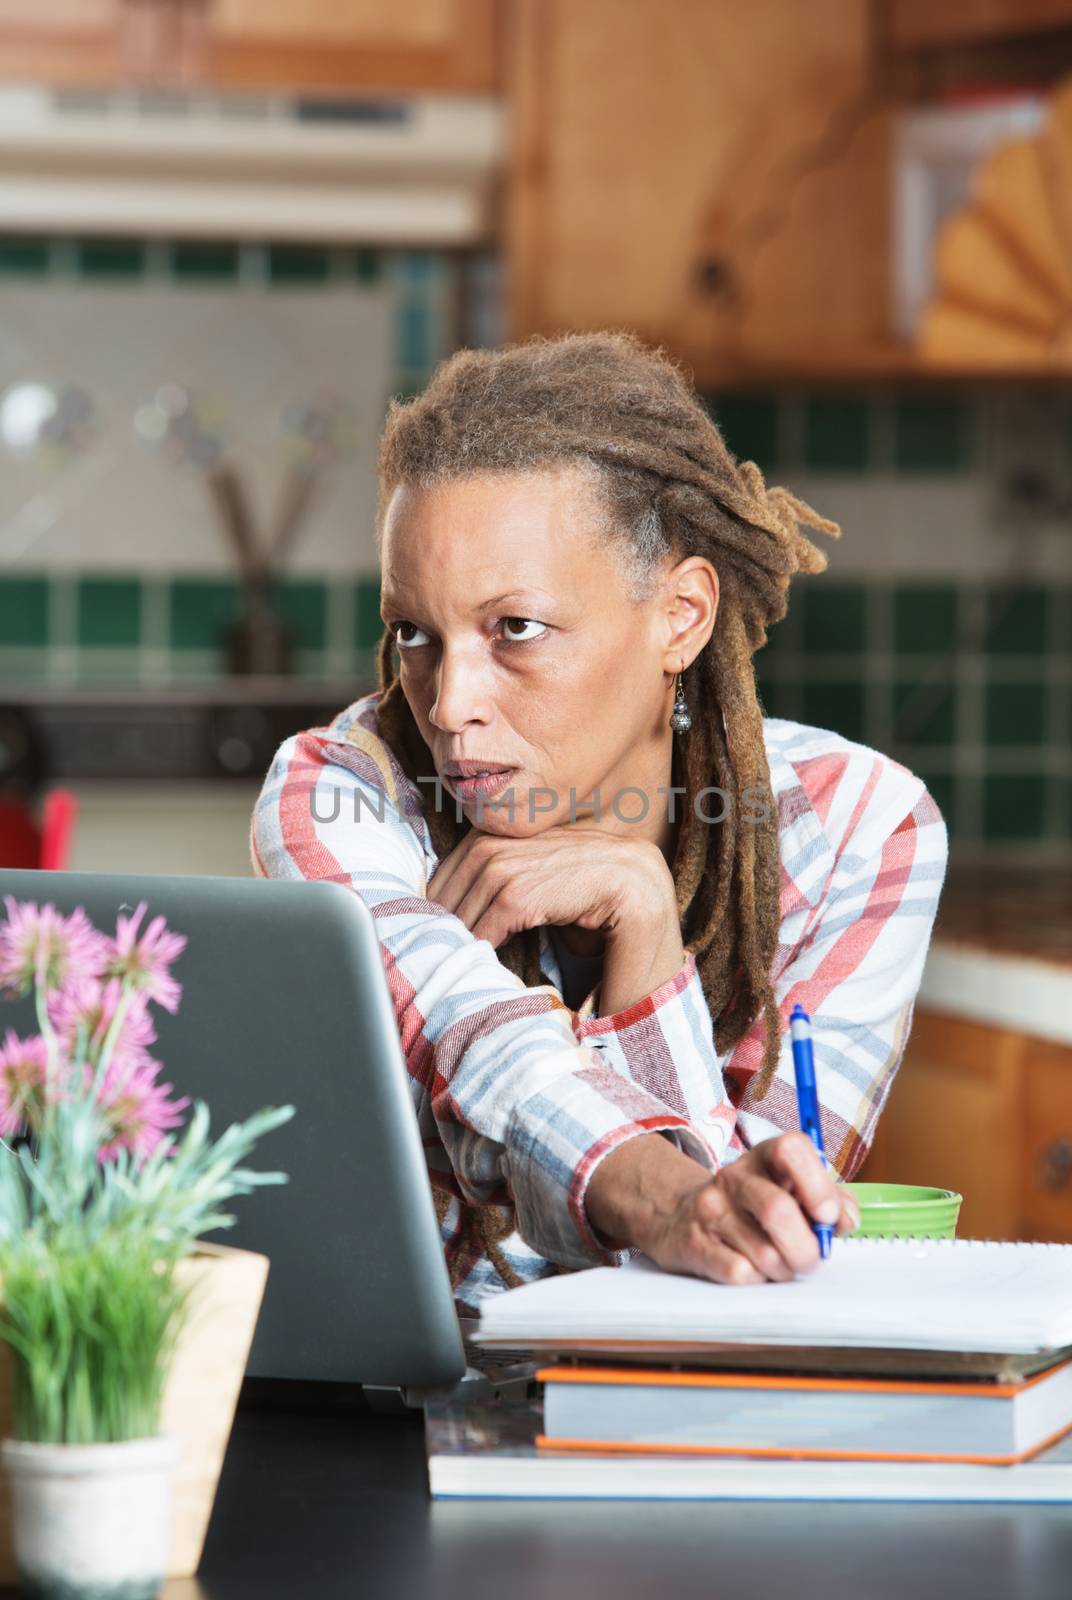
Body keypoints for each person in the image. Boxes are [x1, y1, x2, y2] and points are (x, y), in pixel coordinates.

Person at [250, 331, 948, 1311]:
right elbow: (476, 1032)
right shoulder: (339, 791)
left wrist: (644, 919)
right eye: (415, 632)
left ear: (679, 616)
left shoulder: (857, 829)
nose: (448, 705)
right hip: (394, 1412)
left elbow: (754, 1244)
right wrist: (672, 1201)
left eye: (514, 629)